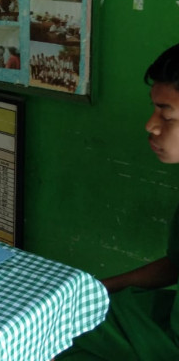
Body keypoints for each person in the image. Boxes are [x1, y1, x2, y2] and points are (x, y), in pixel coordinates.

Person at [56, 43, 179, 360]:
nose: (150, 125)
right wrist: (98, 288)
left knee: (55, 337)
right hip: (154, 322)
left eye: (167, 115)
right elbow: (175, 265)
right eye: (154, 109)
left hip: (162, 343)